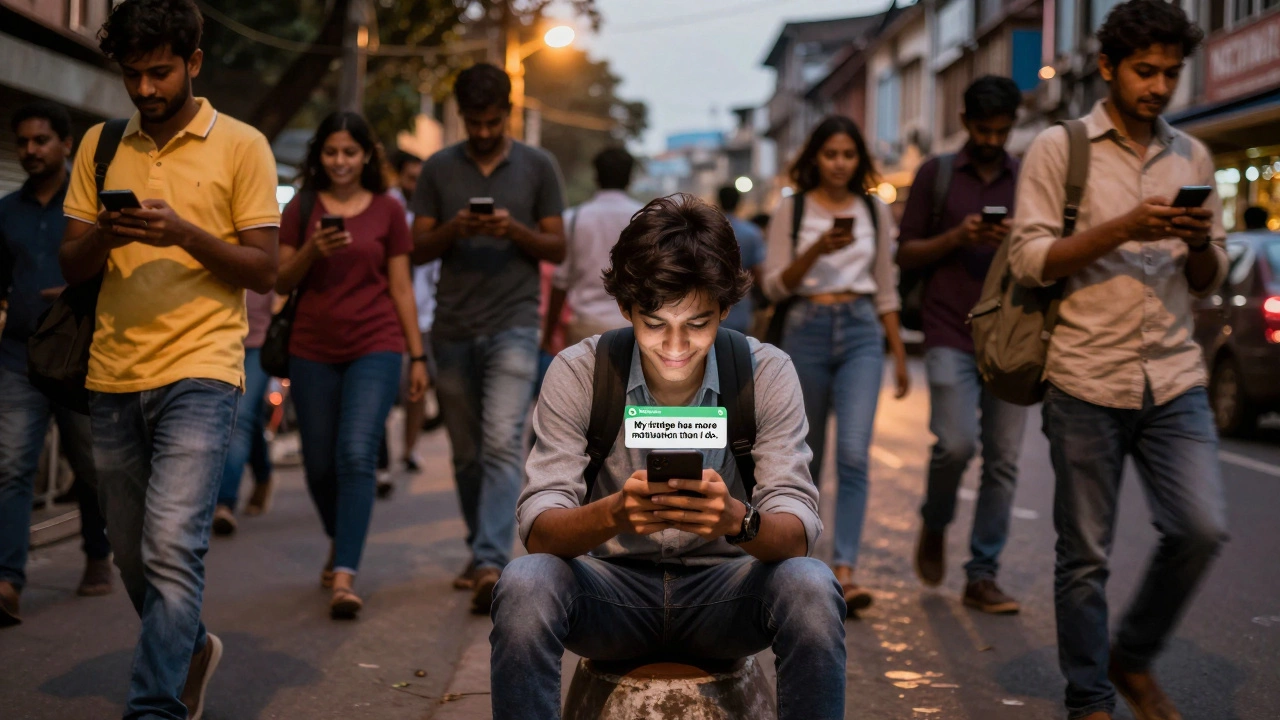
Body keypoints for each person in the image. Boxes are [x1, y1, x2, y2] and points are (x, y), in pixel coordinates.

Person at [491, 194, 845, 720]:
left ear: (725, 309)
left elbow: (797, 532)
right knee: (524, 584)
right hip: (612, 594)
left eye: (697, 324)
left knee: (813, 586)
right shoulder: (579, 371)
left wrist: (737, 520)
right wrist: (613, 513)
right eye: (655, 324)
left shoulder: (765, 372)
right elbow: (539, 529)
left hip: (726, 595)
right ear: (626, 309)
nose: (676, 347)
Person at [58, 0, 282, 716]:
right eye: (133, 75)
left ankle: (153, 707)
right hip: (111, 374)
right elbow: (70, 264)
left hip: (202, 371)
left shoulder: (243, 145)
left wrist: (182, 232)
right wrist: (110, 235)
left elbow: (263, 269)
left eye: (160, 73)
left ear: (193, 62)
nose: (147, 89)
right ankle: (188, 649)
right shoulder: (98, 146)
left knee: (171, 549)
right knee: (132, 554)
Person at [1007, 2, 1228, 718]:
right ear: (1107, 68)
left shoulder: (1193, 156)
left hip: (1174, 376)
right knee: (1086, 560)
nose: (1159, 86)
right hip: (1084, 376)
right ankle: (1090, 698)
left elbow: (1209, 276)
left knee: (1200, 528)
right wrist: (1122, 228)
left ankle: (1130, 656)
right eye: (1145, 71)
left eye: (1170, 72)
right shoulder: (1058, 149)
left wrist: (1197, 242)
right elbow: (1031, 260)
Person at [410, 62, 566, 614]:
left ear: (508, 113)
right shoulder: (436, 169)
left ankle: (490, 559)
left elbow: (556, 247)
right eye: (473, 122)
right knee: (466, 452)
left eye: (491, 121)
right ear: (461, 117)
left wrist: (513, 231)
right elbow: (418, 247)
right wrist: (456, 228)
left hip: (514, 323)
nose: (481, 131)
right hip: (452, 325)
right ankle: (481, 547)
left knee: (502, 441)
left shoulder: (538, 166)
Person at [275, 112, 427, 620]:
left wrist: (417, 355)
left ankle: (345, 575)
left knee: (357, 454)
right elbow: (280, 280)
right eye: (331, 152)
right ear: (320, 157)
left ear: (367, 156)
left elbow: (402, 287)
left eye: (350, 152)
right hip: (312, 347)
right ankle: (340, 539)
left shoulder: (388, 210)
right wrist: (313, 248)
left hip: (376, 344)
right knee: (319, 465)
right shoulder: (301, 209)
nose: (340, 161)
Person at [761, 115, 910, 613]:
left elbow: (887, 288)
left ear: (859, 159)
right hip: (805, 329)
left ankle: (845, 570)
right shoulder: (793, 209)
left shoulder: (874, 210)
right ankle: (801, 562)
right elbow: (775, 285)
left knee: (853, 453)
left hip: (863, 331)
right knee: (807, 455)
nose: (840, 164)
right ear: (815, 158)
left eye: (849, 155)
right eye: (831, 154)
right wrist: (816, 249)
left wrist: (901, 355)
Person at [895, 75, 1027, 614]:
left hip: (1014, 336)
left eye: (1003, 130)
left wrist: (1018, 237)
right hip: (949, 327)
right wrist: (958, 237)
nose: (994, 139)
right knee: (954, 444)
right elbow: (904, 254)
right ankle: (934, 521)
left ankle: (983, 573)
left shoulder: (1030, 176)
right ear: (966, 123)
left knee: (1005, 460)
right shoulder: (937, 174)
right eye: (984, 129)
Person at [0, 101, 114, 627]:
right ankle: (8, 581)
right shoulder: (6, 212)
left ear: (66, 145)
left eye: (41, 140)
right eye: (22, 142)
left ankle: (97, 551)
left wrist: (76, 287)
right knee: (10, 467)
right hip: (18, 357)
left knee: (89, 469)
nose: (30, 150)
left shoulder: (90, 204)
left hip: (78, 357)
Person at [544, 146, 641, 349]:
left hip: (584, 327)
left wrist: (548, 334)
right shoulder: (644, 219)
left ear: (596, 176)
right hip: (634, 327)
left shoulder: (573, 218)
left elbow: (560, 282)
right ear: (630, 178)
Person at [388, 150, 439, 474]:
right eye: (411, 178)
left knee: (417, 387)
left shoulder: (431, 213)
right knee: (385, 386)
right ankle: (379, 457)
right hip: (388, 316)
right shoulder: (389, 209)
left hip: (424, 316)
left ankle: (409, 449)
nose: (416, 185)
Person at [211, 288, 275, 535]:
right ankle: (263, 474)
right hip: (219, 342)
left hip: (259, 342)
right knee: (250, 418)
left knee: (240, 416)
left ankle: (224, 503)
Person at [716, 184, 766, 336]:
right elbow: (757, 270)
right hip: (740, 304)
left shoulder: (707, 231)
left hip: (710, 301)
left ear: (718, 201)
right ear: (739, 203)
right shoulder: (752, 232)